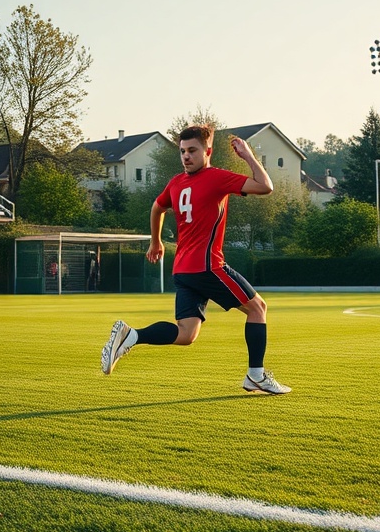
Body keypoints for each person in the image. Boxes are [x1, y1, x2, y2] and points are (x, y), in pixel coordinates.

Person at [101, 126, 291, 394]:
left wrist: (156, 240)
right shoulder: (216, 178)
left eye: (192, 150)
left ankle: (132, 335)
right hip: (208, 266)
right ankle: (256, 376)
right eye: (182, 151)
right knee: (258, 308)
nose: (186, 156)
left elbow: (157, 207)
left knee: (186, 334)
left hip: (183, 271)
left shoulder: (176, 183)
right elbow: (266, 186)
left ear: (207, 151)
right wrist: (248, 156)